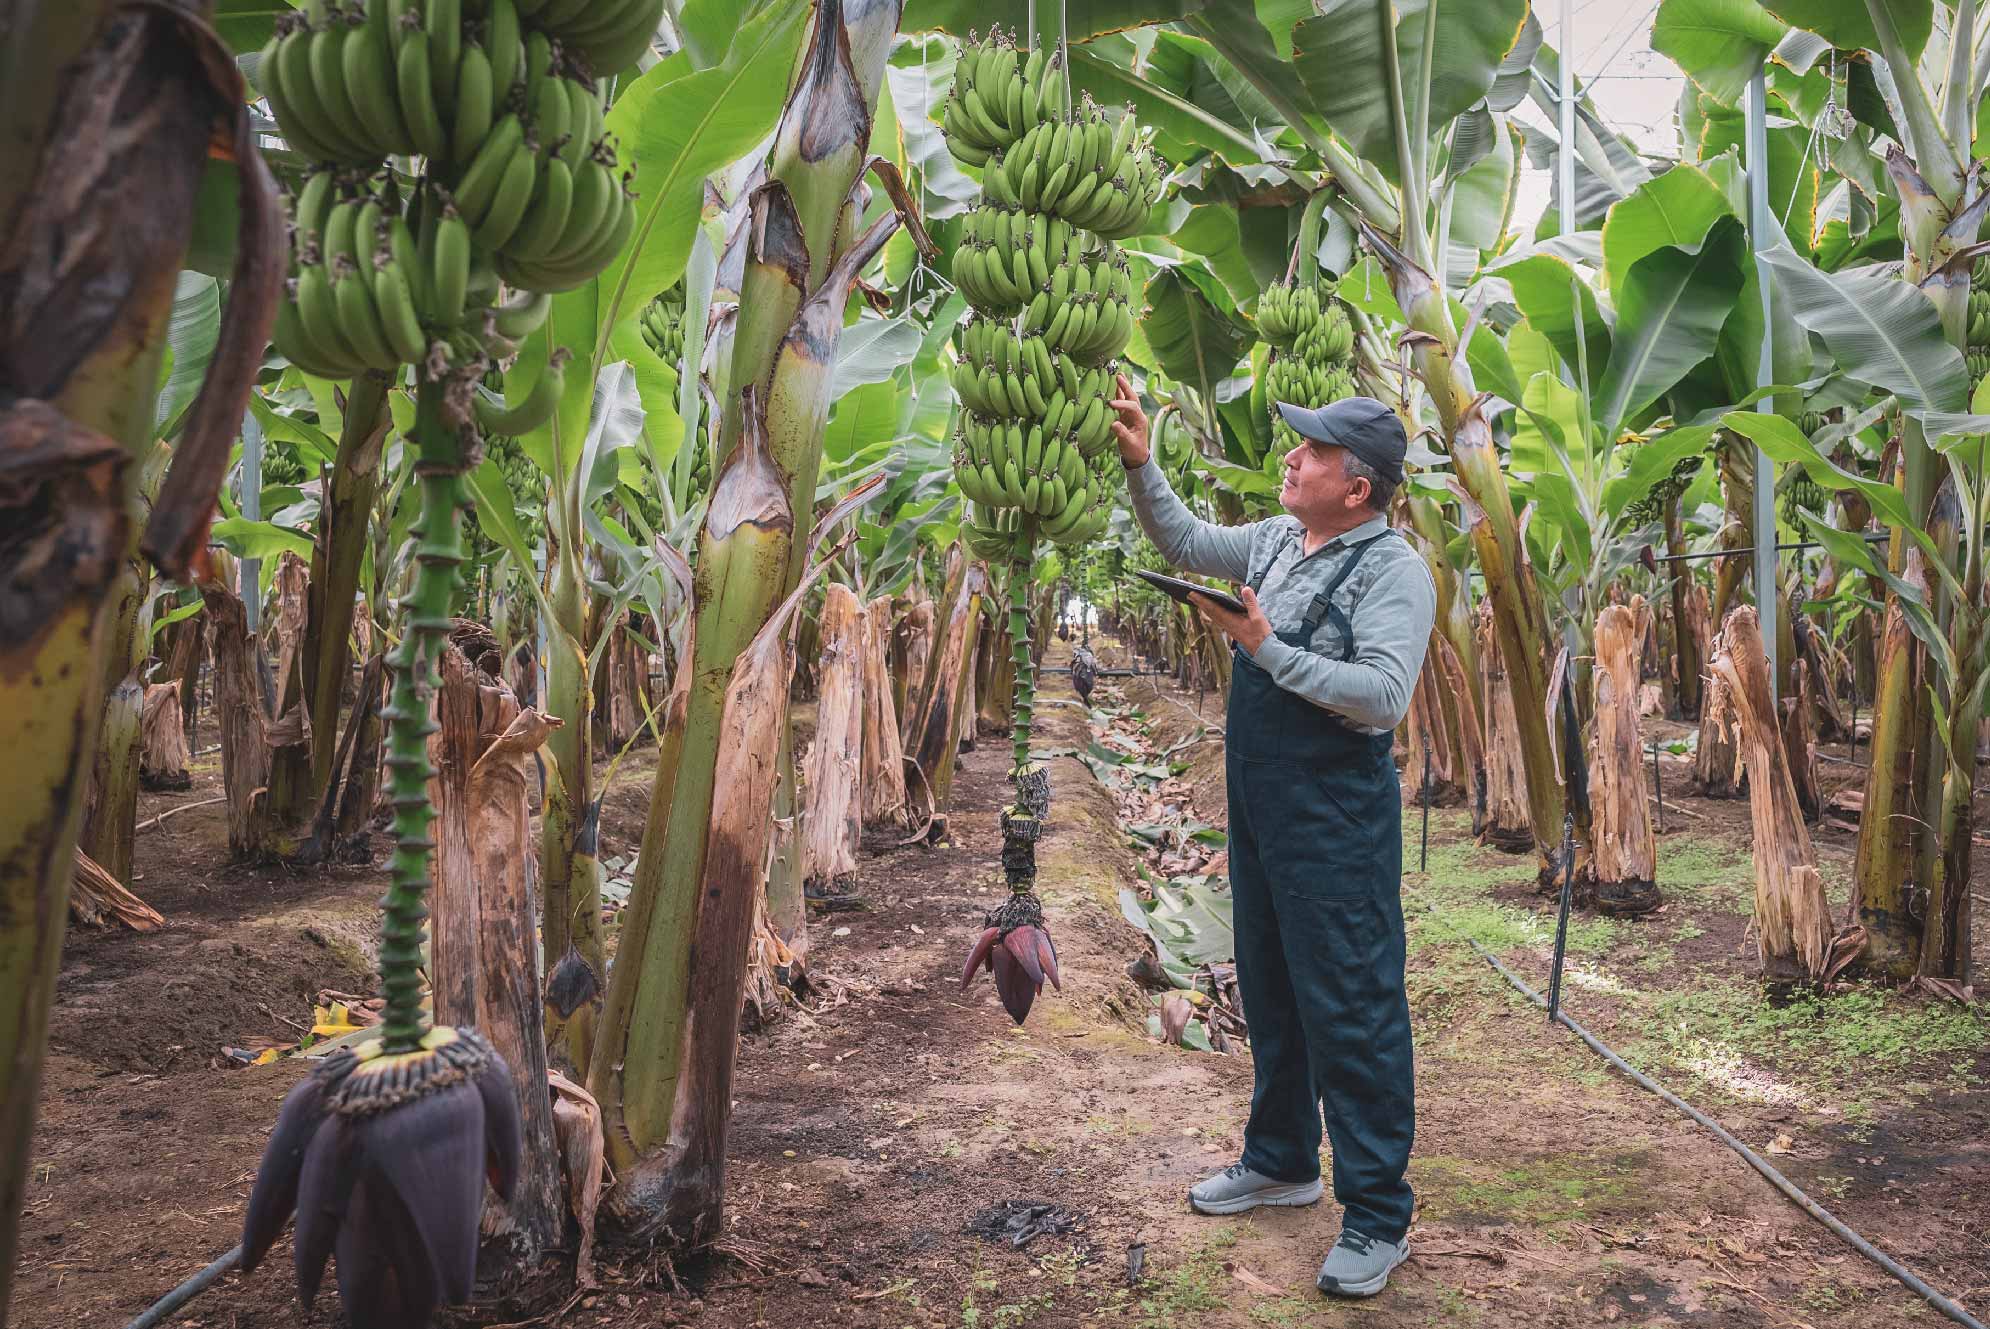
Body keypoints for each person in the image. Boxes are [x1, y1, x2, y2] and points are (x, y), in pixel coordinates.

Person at [1110, 375, 1436, 1299]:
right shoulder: (1275, 538)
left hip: (1334, 811)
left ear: (1357, 486)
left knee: (1353, 1004)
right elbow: (1183, 538)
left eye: (1311, 452)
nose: (1289, 458)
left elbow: (1381, 695)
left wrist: (1262, 647)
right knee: (1271, 982)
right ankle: (1282, 1157)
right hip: (1260, 803)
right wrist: (1143, 463)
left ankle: (1376, 1213)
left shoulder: (1392, 572)